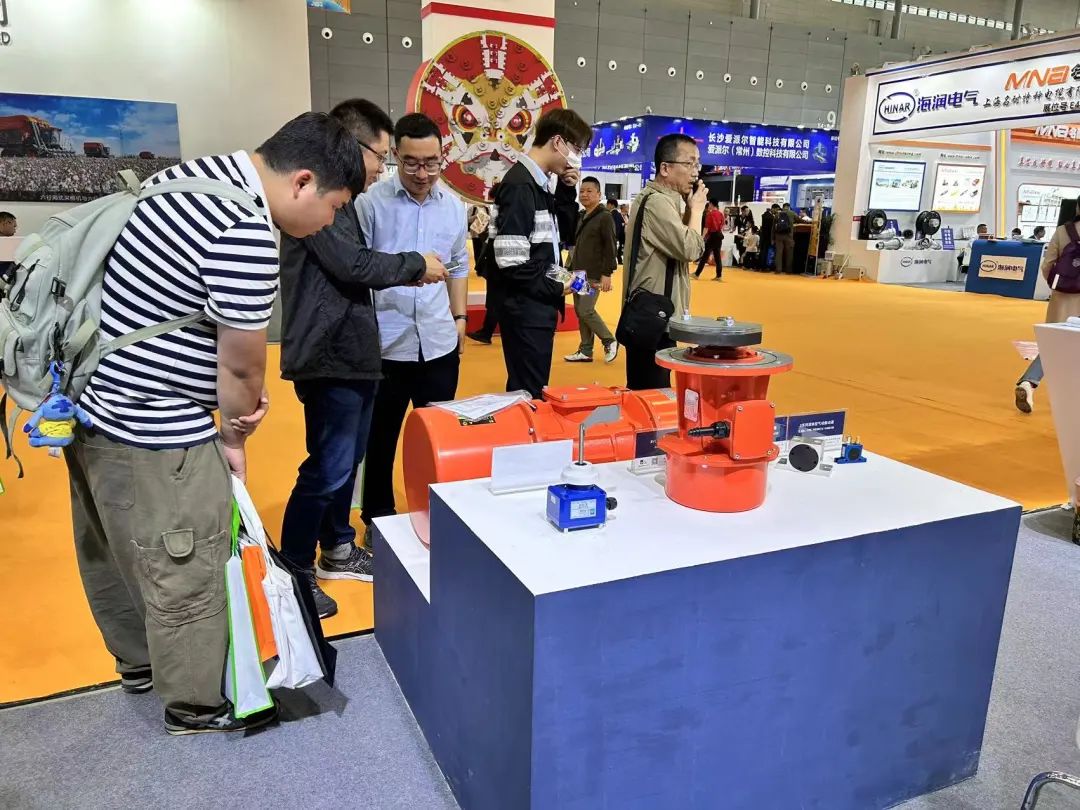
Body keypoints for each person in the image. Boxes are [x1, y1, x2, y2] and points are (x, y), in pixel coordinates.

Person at [66, 112, 362, 736]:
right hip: (157, 424)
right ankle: (196, 703)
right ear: (303, 182)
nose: (328, 221)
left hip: (96, 407)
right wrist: (234, 436)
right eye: (334, 206)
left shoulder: (187, 179)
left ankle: (139, 665)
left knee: (115, 546)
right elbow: (243, 366)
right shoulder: (243, 227)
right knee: (185, 560)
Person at [278, 100, 447, 618]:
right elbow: (353, 264)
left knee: (346, 462)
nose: (382, 167)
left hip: (353, 350)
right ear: (351, 147)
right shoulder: (319, 201)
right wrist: (415, 264)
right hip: (328, 351)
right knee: (327, 468)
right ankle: (295, 572)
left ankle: (337, 547)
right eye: (381, 155)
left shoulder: (345, 200)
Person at [358, 112, 469, 541]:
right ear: (395, 156)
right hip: (386, 342)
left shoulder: (453, 207)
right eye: (411, 163)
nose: (422, 174)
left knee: (438, 436)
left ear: (443, 157)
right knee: (380, 436)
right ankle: (377, 518)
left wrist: (460, 318)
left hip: (439, 340)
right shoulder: (372, 204)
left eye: (431, 163)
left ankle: (436, 511)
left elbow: (458, 265)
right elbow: (360, 268)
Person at [485, 108, 591, 398]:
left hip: (535, 304)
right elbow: (511, 261)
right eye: (577, 149)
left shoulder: (539, 183)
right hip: (525, 307)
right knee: (528, 392)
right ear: (558, 142)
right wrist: (558, 283)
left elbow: (562, 237)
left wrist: (567, 191)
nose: (577, 158)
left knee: (532, 386)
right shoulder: (521, 185)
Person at [622, 133, 706, 390]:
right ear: (665, 168)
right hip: (654, 318)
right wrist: (698, 210)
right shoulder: (658, 203)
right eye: (689, 163)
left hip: (651, 314)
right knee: (653, 394)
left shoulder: (659, 199)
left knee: (647, 389)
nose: (695, 171)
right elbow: (690, 248)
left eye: (697, 164)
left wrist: (689, 209)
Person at [1015, 198, 1080, 414]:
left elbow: (1047, 265)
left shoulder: (1062, 231)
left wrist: (1060, 286)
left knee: (1053, 345)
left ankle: (1029, 382)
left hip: (1062, 299)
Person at [564, 177, 618, 363]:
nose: (584, 195)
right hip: (579, 273)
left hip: (594, 274)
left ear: (599, 194)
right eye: (582, 191)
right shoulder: (582, 216)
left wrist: (607, 274)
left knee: (586, 310)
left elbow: (610, 247)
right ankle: (586, 350)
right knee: (580, 311)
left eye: (589, 191)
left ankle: (609, 340)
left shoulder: (605, 217)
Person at [466, 183, 503, 345]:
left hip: (498, 265)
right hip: (497, 264)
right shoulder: (503, 211)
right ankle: (486, 332)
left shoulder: (501, 213)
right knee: (495, 299)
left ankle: (487, 332)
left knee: (495, 300)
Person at [694, 199, 725, 280]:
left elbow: (706, 227)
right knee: (717, 256)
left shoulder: (710, 214)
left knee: (705, 256)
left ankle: (697, 274)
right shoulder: (721, 214)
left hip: (712, 236)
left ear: (711, 204)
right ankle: (719, 276)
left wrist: (702, 237)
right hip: (719, 236)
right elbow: (722, 225)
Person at [773, 203, 795, 274]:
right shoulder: (792, 213)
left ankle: (778, 269)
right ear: (788, 207)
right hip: (788, 236)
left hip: (778, 236)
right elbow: (800, 220)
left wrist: (772, 238)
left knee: (779, 253)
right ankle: (788, 270)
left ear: (783, 207)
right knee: (789, 253)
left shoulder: (777, 214)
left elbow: (773, 227)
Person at [607, 197, 626, 265]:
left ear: (612, 205)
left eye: (608, 204)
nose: (607, 206)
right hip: (618, 239)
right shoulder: (619, 215)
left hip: (612, 238)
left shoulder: (611, 214)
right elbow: (621, 226)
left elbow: (614, 227)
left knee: (610, 257)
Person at [759, 204, 775, 271]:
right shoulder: (771, 217)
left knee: (762, 251)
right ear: (773, 208)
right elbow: (770, 229)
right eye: (776, 209)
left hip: (763, 236)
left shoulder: (764, 215)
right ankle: (764, 267)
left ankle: (760, 266)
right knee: (765, 252)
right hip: (767, 237)